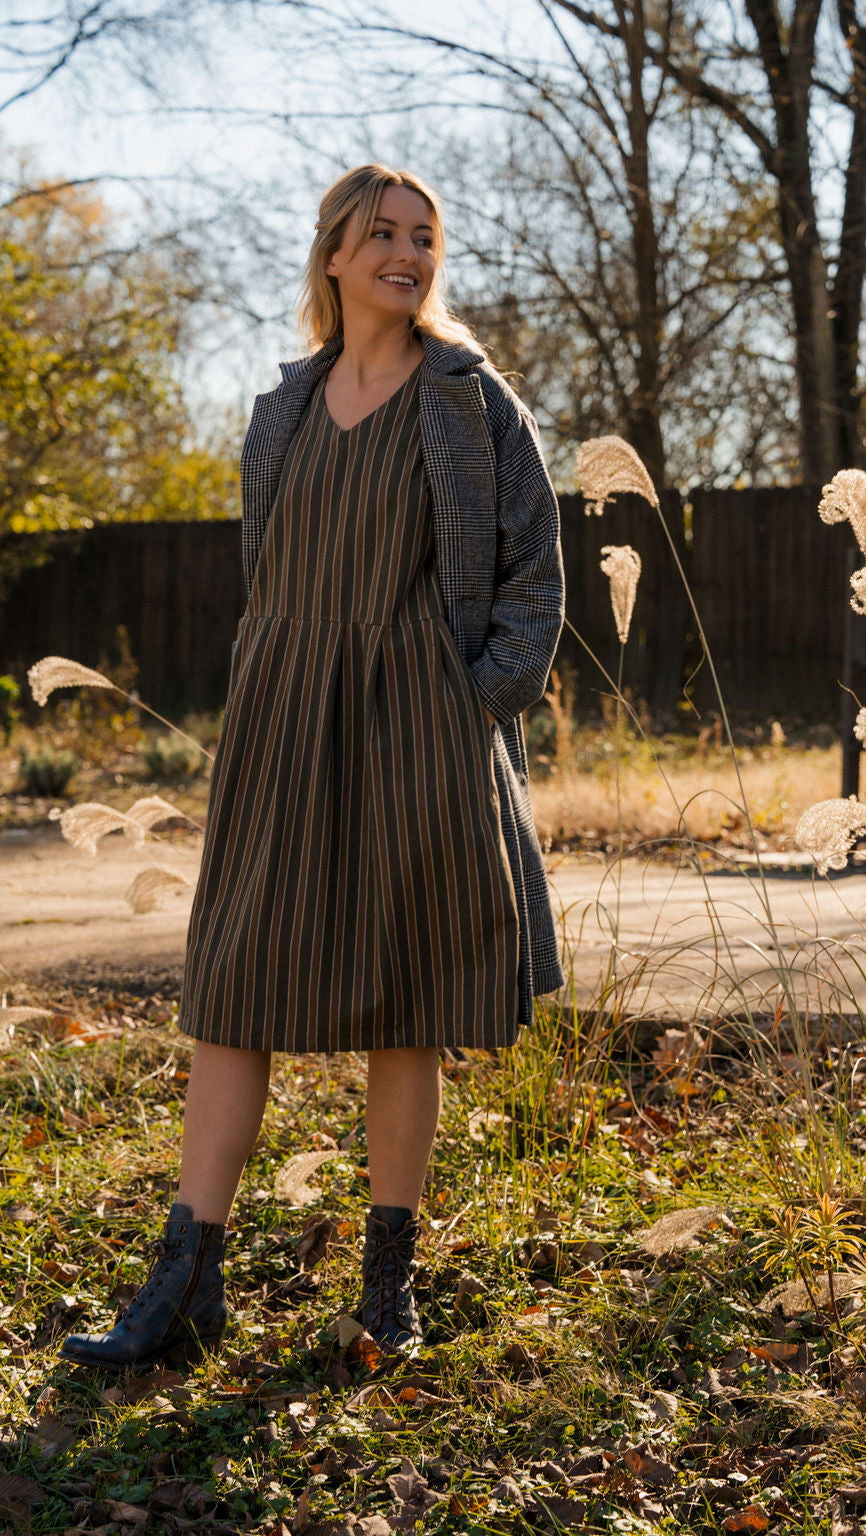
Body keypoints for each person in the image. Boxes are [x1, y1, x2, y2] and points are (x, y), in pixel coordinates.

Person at [59, 164, 565, 1370]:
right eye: (381, 234)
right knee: (235, 986)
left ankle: (387, 1289)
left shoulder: (471, 401)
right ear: (333, 255)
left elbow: (534, 584)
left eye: (424, 237)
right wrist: (264, 686)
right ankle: (188, 1278)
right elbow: (267, 577)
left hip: (421, 726)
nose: (406, 252)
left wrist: (467, 709)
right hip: (283, 718)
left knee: (405, 1000)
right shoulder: (280, 409)